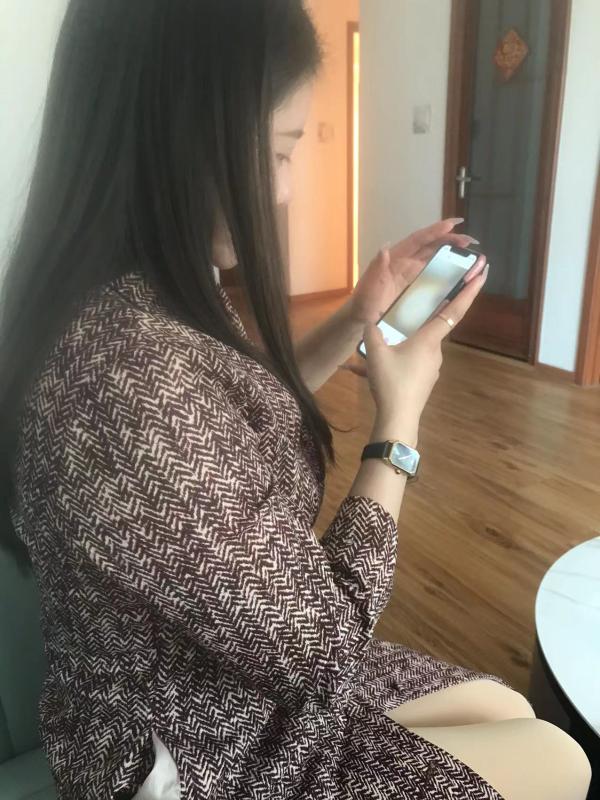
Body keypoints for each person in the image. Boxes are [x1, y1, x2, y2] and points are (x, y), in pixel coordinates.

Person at [0, 1, 591, 799]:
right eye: (279, 150)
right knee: (560, 758)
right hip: (191, 746)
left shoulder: (136, 299)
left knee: (506, 707)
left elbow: (231, 426)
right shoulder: (123, 376)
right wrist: (398, 428)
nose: (282, 190)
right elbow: (328, 646)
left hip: (229, 669)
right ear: (180, 131)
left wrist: (353, 318)